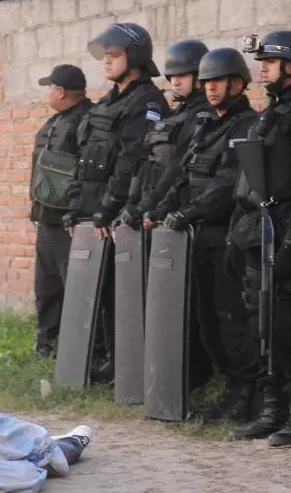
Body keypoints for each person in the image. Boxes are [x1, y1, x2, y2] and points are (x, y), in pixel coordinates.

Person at [228, 31, 291, 446]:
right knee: (263, 325)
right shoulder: (271, 111)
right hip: (261, 231)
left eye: (269, 61)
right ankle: (273, 410)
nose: (262, 68)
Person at [151, 48, 260, 422]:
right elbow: (184, 176)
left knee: (231, 319)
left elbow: (228, 184)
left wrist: (189, 213)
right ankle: (229, 388)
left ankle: (246, 394)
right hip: (197, 237)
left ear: (238, 83)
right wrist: (160, 210)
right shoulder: (206, 126)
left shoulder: (247, 125)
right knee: (207, 321)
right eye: (208, 82)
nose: (211, 89)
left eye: (219, 81)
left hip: (227, 236)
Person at [62, 23, 169, 382]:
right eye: (105, 56)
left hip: (120, 212)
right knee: (99, 290)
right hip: (93, 210)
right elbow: (84, 156)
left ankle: (126, 365)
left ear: (134, 58)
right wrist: (75, 206)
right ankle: (105, 360)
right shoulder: (108, 100)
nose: (107, 62)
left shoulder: (148, 101)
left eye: (115, 55)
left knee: (123, 292)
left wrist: (109, 207)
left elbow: (131, 160)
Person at [126, 38, 215, 390]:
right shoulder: (173, 113)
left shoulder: (201, 117)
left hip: (183, 218)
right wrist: (139, 207)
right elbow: (149, 163)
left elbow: (178, 169)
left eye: (184, 75)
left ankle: (192, 380)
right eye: (172, 76)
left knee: (190, 308)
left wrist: (156, 207)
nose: (176, 82)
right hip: (160, 217)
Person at [30, 64, 93, 359]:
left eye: (50, 87)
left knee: (75, 288)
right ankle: (46, 345)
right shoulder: (56, 121)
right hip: (46, 219)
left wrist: (77, 211)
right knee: (46, 287)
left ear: (61, 91)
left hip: (69, 222)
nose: (48, 93)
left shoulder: (85, 121)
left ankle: (76, 352)